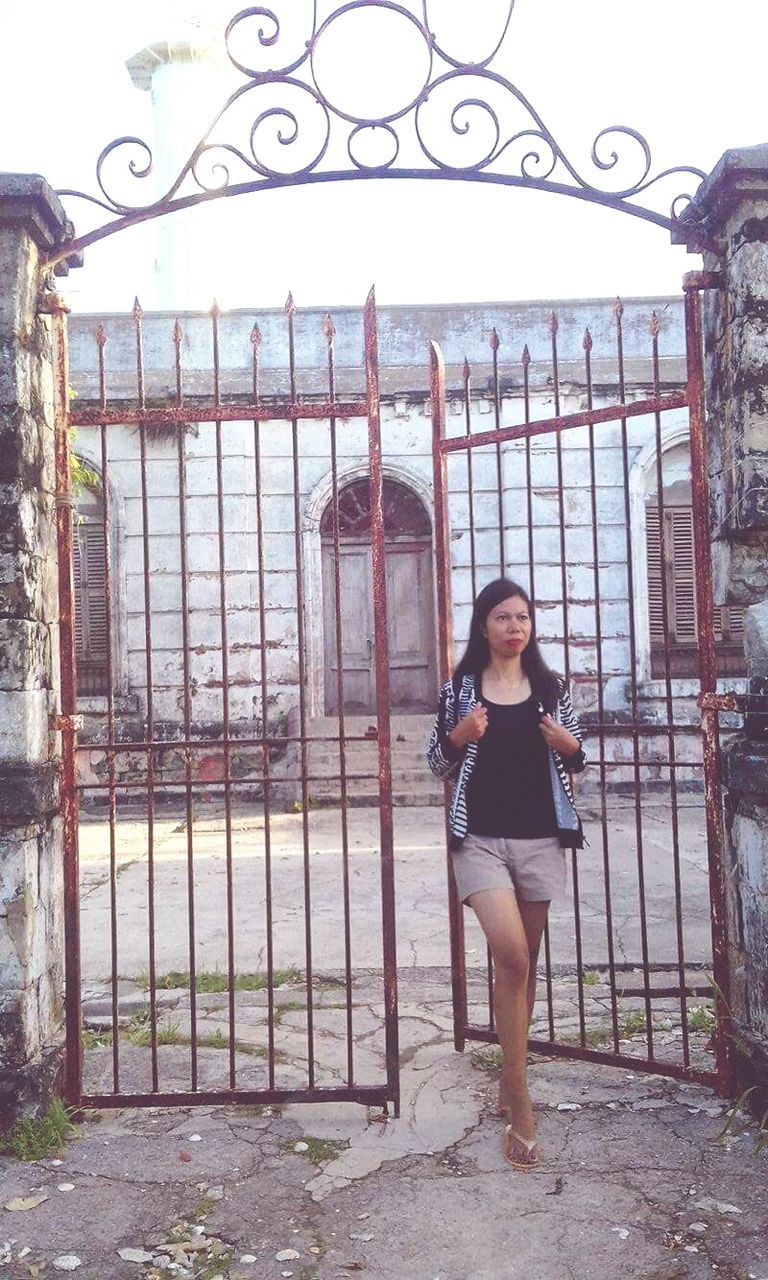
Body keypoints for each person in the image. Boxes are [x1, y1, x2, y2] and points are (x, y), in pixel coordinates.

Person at [427, 577, 586, 1171]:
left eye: (522, 617)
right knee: (513, 957)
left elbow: (578, 758)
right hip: (481, 842)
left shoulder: (551, 688)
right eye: (502, 617)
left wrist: (570, 745)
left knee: (521, 969)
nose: (514, 627)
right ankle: (519, 1099)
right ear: (484, 626)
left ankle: (508, 1074)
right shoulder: (461, 691)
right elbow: (438, 763)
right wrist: (458, 735)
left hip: (542, 840)